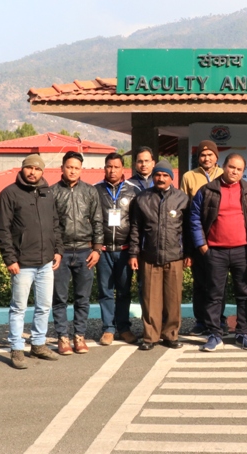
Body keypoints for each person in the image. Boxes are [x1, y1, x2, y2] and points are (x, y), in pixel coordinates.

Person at [0, 154, 63, 369]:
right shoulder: (9, 194)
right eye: (29, 168)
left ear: (42, 171)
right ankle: (16, 348)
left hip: (46, 262)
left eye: (37, 169)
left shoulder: (47, 192)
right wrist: (10, 259)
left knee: (44, 306)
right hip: (22, 263)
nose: (33, 172)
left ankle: (38, 344)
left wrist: (57, 250)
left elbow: (55, 223)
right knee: (19, 308)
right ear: (22, 168)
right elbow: (3, 229)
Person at [191, 153, 247, 352]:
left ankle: (243, 333)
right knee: (214, 294)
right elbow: (194, 218)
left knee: (243, 294)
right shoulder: (207, 190)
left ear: (243, 172)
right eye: (231, 167)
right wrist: (201, 244)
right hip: (215, 251)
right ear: (223, 166)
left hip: (242, 251)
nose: (234, 171)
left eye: (239, 169)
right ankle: (214, 334)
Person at [128, 160, 190, 351]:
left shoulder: (182, 198)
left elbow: (188, 230)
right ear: (153, 176)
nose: (161, 178)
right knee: (150, 299)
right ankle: (150, 336)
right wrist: (133, 254)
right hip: (149, 256)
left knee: (173, 299)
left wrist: (189, 253)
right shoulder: (142, 199)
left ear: (172, 178)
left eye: (165, 175)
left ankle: (171, 335)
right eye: (157, 175)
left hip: (175, 256)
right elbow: (135, 229)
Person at [50, 151, 102, 355]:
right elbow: (50, 224)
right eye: (69, 167)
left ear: (82, 169)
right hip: (60, 253)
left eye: (76, 168)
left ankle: (79, 336)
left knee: (83, 297)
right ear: (62, 168)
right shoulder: (52, 192)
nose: (72, 171)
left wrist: (97, 249)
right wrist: (55, 250)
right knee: (59, 297)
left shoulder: (90, 191)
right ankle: (62, 337)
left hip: (84, 251)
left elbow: (98, 221)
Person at [95, 153, 140, 346]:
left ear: (123, 169)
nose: (112, 170)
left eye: (116, 167)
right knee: (105, 291)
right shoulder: (95, 190)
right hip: (103, 250)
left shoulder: (133, 191)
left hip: (124, 251)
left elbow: (136, 223)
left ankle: (123, 327)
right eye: (109, 166)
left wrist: (134, 251)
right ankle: (108, 329)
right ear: (104, 168)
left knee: (124, 291)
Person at [181, 140, 224, 336]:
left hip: (219, 238)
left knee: (217, 283)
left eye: (210, 155)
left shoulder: (223, 174)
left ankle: (219, 319)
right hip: (197, 238)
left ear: (216, 157)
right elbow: (184, 210)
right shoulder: (189, 176)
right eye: (202, 155)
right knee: (199, 283)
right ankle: (200, 321)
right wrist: (188, 249)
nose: (206, 158)